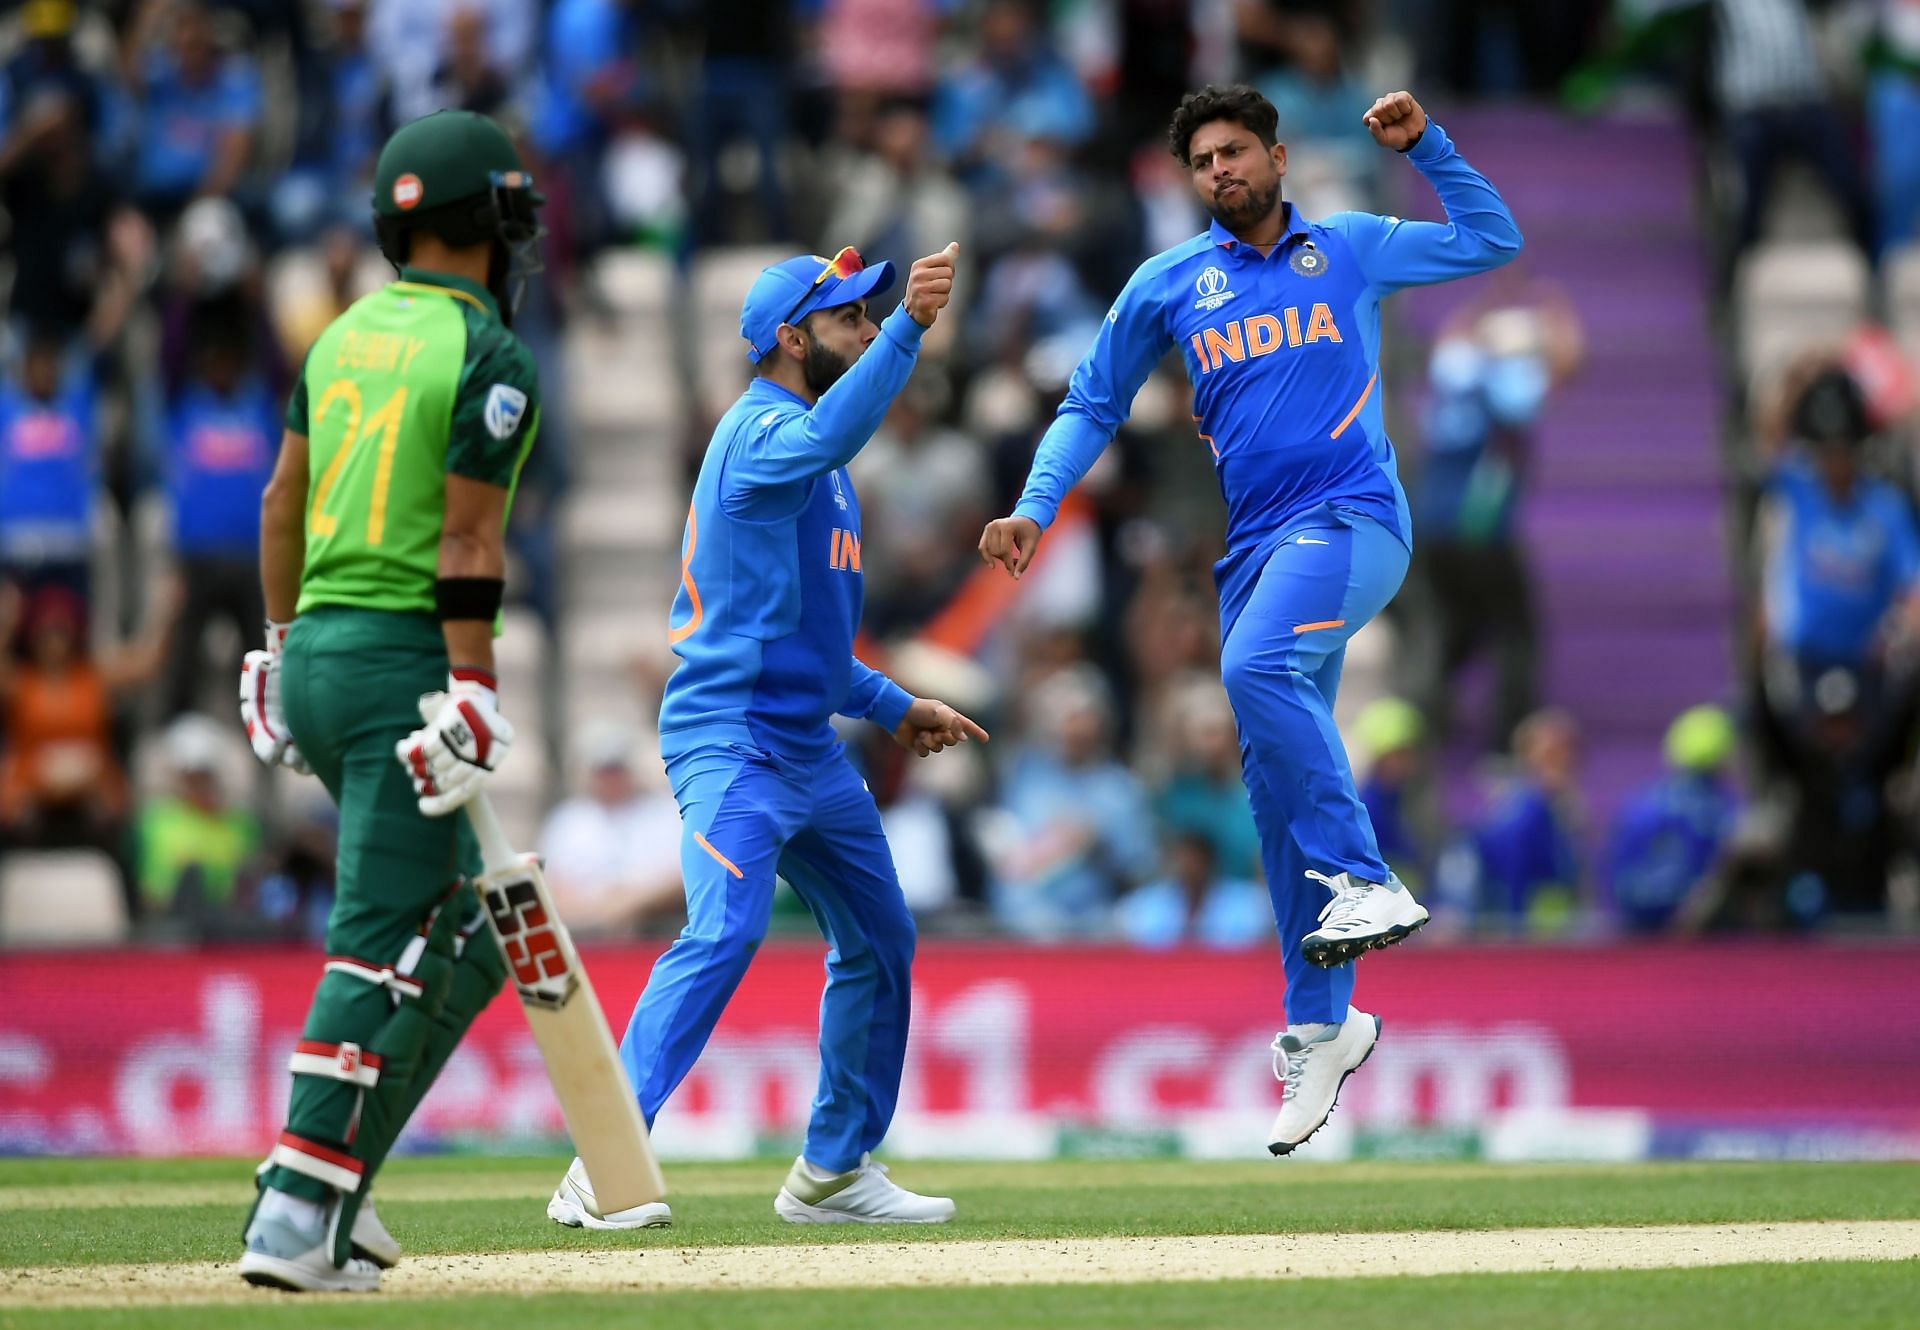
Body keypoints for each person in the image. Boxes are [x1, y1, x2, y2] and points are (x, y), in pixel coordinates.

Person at [978, 84, 1520, 1155]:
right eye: (1203, 161)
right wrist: (1035, 505)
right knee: (1271, 791)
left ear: (1276, 156)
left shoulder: (1351, 245)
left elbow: (1491, 238)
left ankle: (1363, 875)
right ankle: (1322, 1026)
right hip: (1256, 550)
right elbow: (1091, 402)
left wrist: (1432, 148)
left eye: (1236, 151)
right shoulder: (1170, 282)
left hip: (1355, 520)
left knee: (1252, 669)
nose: (1221, 170)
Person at [548, 240, 984, 1231]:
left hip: (808, 749)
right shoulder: (761, 434)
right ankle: (601, 1164)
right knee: (726, 929)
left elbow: (812, 644)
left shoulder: (816, 455)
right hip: (731, 741)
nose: (867, 328)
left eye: (876, 317)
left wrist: (891, 705)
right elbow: (837, 432)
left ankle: (834, 1168)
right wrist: (914, 326)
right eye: (849, 320)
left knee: (880, 938)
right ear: (792, 338)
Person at [235, 110, 545, 1293]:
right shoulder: (492, 355)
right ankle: (292, 1217)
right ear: (489, 226)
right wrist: (471, 684)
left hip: (313, 646)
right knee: (380, 938)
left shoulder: (343, 334)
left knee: (465, 935)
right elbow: (467, 538)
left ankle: (341, 1192)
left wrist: (273, 653)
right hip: (398, 659)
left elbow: (280, 502)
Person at [536, 720, 684, 937]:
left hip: (657, 930)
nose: (612, 779)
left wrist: (631, 903)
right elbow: (551, 889)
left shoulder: (666, 813)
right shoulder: (568, 821)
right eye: (604, 770)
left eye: (616, 769)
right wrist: (602, 911)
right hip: (586, 935)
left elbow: (681, 879)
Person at [1604, 704, 1740, 935]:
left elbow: (1614, 874)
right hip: (1696, 935)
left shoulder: (1639, 802)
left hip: (1635, 929)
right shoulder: (1720, 811)